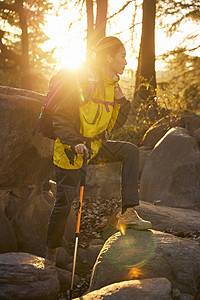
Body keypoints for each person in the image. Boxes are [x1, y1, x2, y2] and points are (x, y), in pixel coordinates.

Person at [46, 36, 152, 264]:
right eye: (122, 56)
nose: (126, 61)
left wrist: (123, 102)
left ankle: (129, 213)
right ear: (108, 57)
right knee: (65, 201)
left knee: (130, 151)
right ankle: (51, 255)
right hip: (70, 150)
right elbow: (61, 116)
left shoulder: (112, 86)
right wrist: (74, 141)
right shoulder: (85, 81)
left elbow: (114, 125)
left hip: (94, 147)